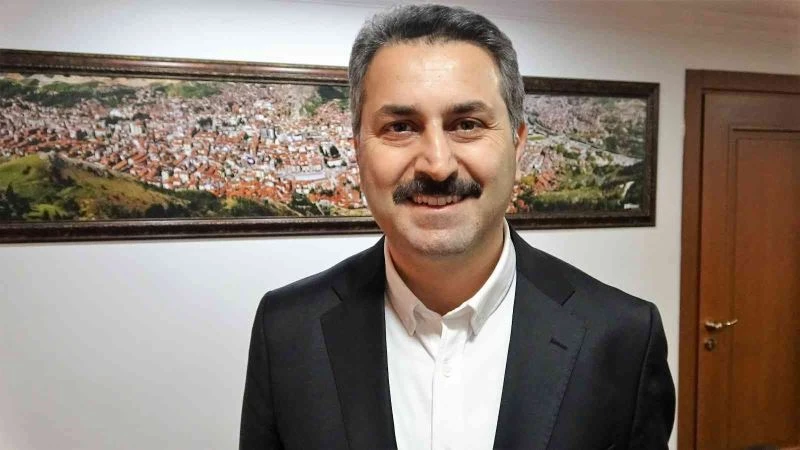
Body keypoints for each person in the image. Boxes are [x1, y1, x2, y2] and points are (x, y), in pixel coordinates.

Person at [240, 4, 675, 450]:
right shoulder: (287, 331)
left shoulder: (622, 338)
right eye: (400, 126)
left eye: (467, 125)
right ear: (358, 149)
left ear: (517, 143)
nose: (437, 164)